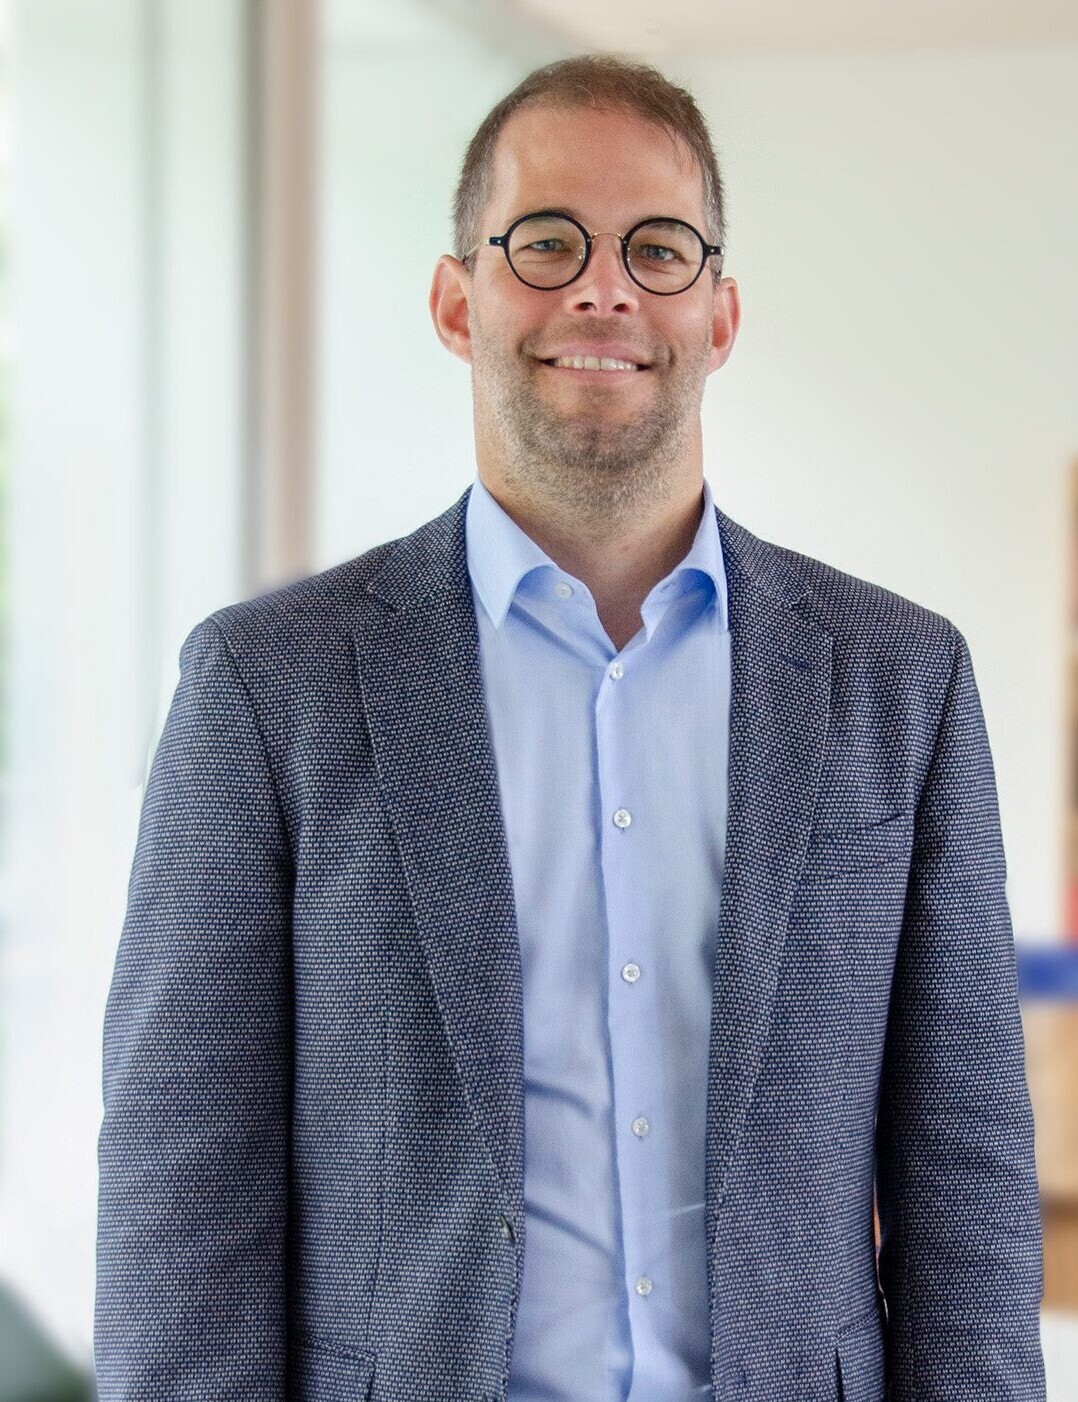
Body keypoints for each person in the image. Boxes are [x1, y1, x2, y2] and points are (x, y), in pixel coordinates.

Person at [94, 54, 1046, 1402]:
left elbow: (967, 1177)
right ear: (455, 300)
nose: (604, 289)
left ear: (719, 314)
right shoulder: (268, 687)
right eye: (546, 242)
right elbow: (181, 1188)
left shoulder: (901, 681)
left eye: (658, 248)